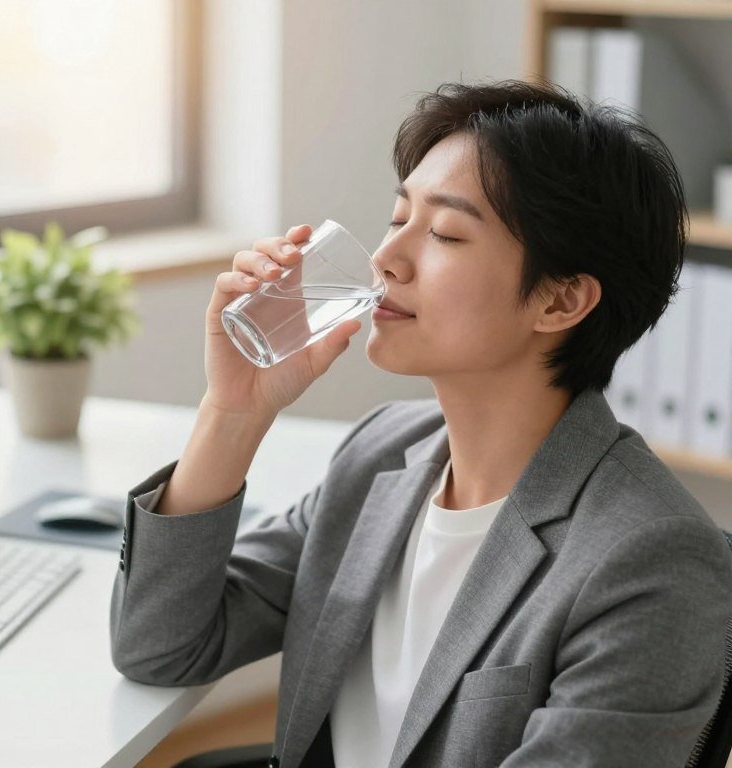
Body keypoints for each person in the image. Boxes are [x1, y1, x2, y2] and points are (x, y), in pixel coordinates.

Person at [110, 79, 732, 768]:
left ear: (561, 301)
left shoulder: (652, 564)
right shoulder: (384, 455)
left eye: (444, 233)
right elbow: (160, 645)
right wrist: (232, 413)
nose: (385, 261)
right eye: (397, 216)